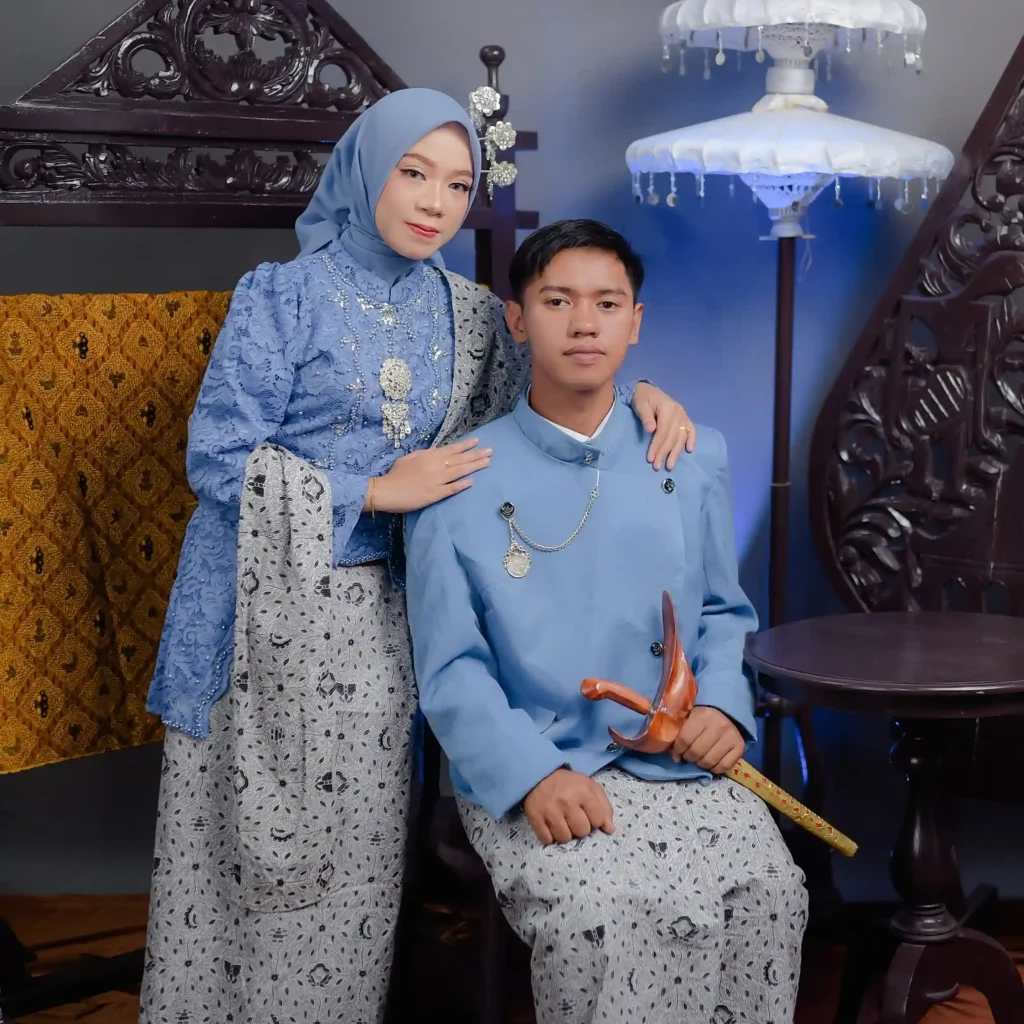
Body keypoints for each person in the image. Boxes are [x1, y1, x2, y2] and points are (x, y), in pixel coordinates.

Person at [139, 91, 694, 1024]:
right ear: (367, 171)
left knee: (351, 872)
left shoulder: (469, 315)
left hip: (387, 622)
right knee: (243, 859)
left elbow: (552, 386)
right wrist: (371, 490)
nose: (436, 202)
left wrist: (643, 395)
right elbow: (219, 459)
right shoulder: (282, 296)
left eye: (458, 184)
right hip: (262, 616)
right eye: (414, 173)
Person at [404, 219, 808, 1024]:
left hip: (678, 758)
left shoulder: (690, 454)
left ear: (635, 321)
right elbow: (452, 669)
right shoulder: (455, 483)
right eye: (557, 301)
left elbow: (723, 611)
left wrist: (723, 707)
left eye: (607, 303)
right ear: (518, 318)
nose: (584, 323)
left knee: (772, 892)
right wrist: (533, 776)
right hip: (540, 765)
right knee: (612, 914)